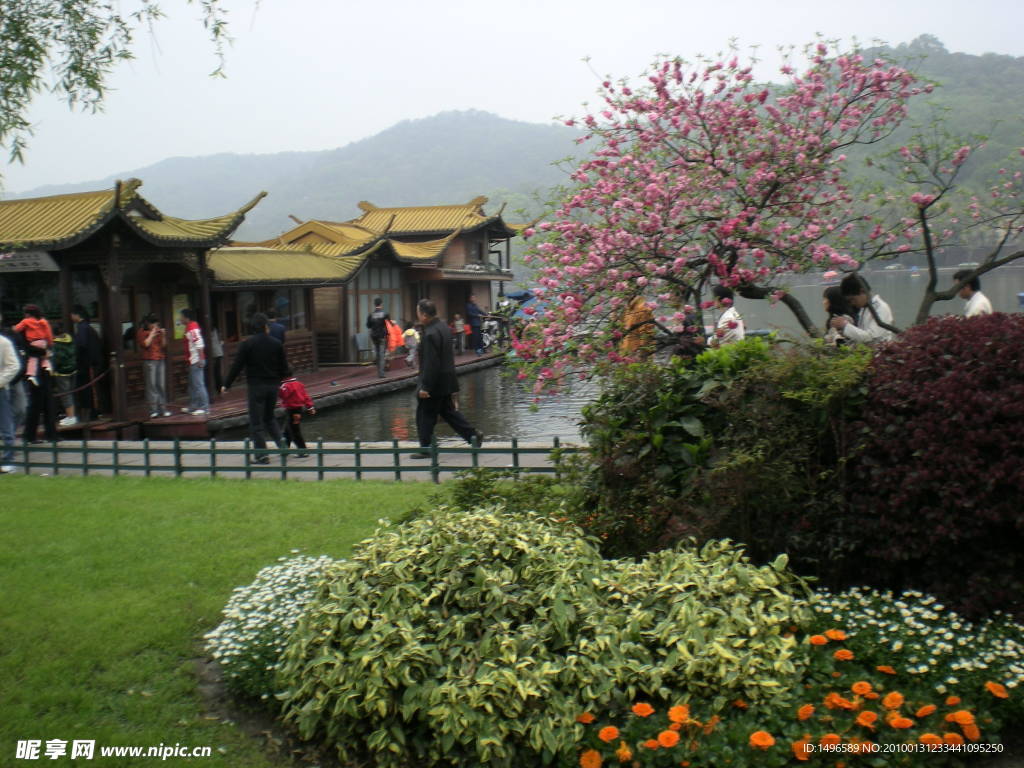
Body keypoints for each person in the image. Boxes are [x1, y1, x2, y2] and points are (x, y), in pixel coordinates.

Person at [410, 298, 483, 459]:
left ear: (423, 315)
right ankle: (473, 436)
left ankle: (426, 448)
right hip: (447, 378)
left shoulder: (429, 333)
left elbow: (431, 362)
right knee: (449, 412)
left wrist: (425, 387)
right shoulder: (443, 327)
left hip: (434, 382)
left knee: (424, 414)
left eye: (418, 312)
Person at [222, 312, 288, 464]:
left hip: (256, 386)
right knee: (270, 417)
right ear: (266, 327)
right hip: (273, 386)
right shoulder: (276, 344)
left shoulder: (247, 344)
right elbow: (284, 368)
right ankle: (282, 445)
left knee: (256, 421)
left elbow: (237, 366)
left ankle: (262, 455)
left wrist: (226, 384)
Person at [831, 274, 895, 344]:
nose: (852, 303)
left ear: (862, 291)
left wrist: (845, 325)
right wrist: (847, 326)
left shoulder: (881, 308)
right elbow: (862, 334)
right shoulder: (864, 308)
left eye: (852, 299)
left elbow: (871, 338)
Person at [70, 305, 104, 422]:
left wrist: (75, 356)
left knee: (89, 388)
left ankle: (93, 412)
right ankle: (93, 411)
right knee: (89, 387)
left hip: (86, 363)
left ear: (77, 315)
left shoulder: (82, 327)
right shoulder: (88, 327)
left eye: (72, 314)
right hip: (91, 362)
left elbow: (81, 344)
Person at [137, 314, 171, 418]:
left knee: (160, 385)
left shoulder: (159, 332)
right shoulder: (141, 332)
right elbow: (145, 344)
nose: (156, 326)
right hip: (149, 360)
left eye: (157, 324)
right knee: (151, 386)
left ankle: (163, 409)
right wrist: (152, 334)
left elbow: (164, 345)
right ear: (148, 323)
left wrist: (163, 335)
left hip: (160, 359)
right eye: (154, 324)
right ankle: (153, 410)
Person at [180, 308, 210, 416]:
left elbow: (199, 343)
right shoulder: (189, 327)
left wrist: (201, 359)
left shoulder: (192, 327)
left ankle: (204, 407)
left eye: (181, 316)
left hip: (196, 360)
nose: (180, 318)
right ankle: (193, 406)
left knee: (198, 384)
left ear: (186, 318)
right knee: (192, 385)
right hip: (192, 360)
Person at [279, 370, 316, 457]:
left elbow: (282, 395)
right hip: (299, 409)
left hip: (291, 410)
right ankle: (285, 449)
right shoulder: (299, 384)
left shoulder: (285, 385)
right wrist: (310, 407)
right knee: (288, 430)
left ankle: (302, 450)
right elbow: (305, 396)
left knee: (294, 431)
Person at [14, 304, 53, 386]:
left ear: (28, 314)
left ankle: (31, 375)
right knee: (45, 358)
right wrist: (49, 343)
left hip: (33, 342)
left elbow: (17, 329)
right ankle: (47, 367)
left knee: (33, 359)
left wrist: (13, 328)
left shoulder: (26, 321)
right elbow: (48, 334)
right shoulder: (43, 321)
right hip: (43, 342)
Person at [0, 331, 20, 473]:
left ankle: (8, 459)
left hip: (1, 389)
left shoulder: (4, 343)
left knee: (6, 425)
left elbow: (14, 366)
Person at [51, 322, 78, 426]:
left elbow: (57, 360)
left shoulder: (56, 345)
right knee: (71, 393)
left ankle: (71, 417)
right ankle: (71, 415)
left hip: (62, 373)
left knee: (65, 395)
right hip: (73, 369)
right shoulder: (69, 339)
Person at [366, 297, 389, 378]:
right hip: (382, 336)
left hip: (374, 336)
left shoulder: (370, 315)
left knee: (377, 352)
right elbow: (389, 324)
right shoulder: (385, 314)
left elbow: (368, 326)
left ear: (374, 304)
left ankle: (376, 358)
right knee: (382, 354)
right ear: (381, 304)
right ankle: (381, 374)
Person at [209, 325, 225, 395]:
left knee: (216, 372)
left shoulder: (209, 332)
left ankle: (218, 389)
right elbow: (221, 342)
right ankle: (220, 389)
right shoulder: (216, 331)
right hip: (218, 353)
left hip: (214, 354)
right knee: (217, 372)